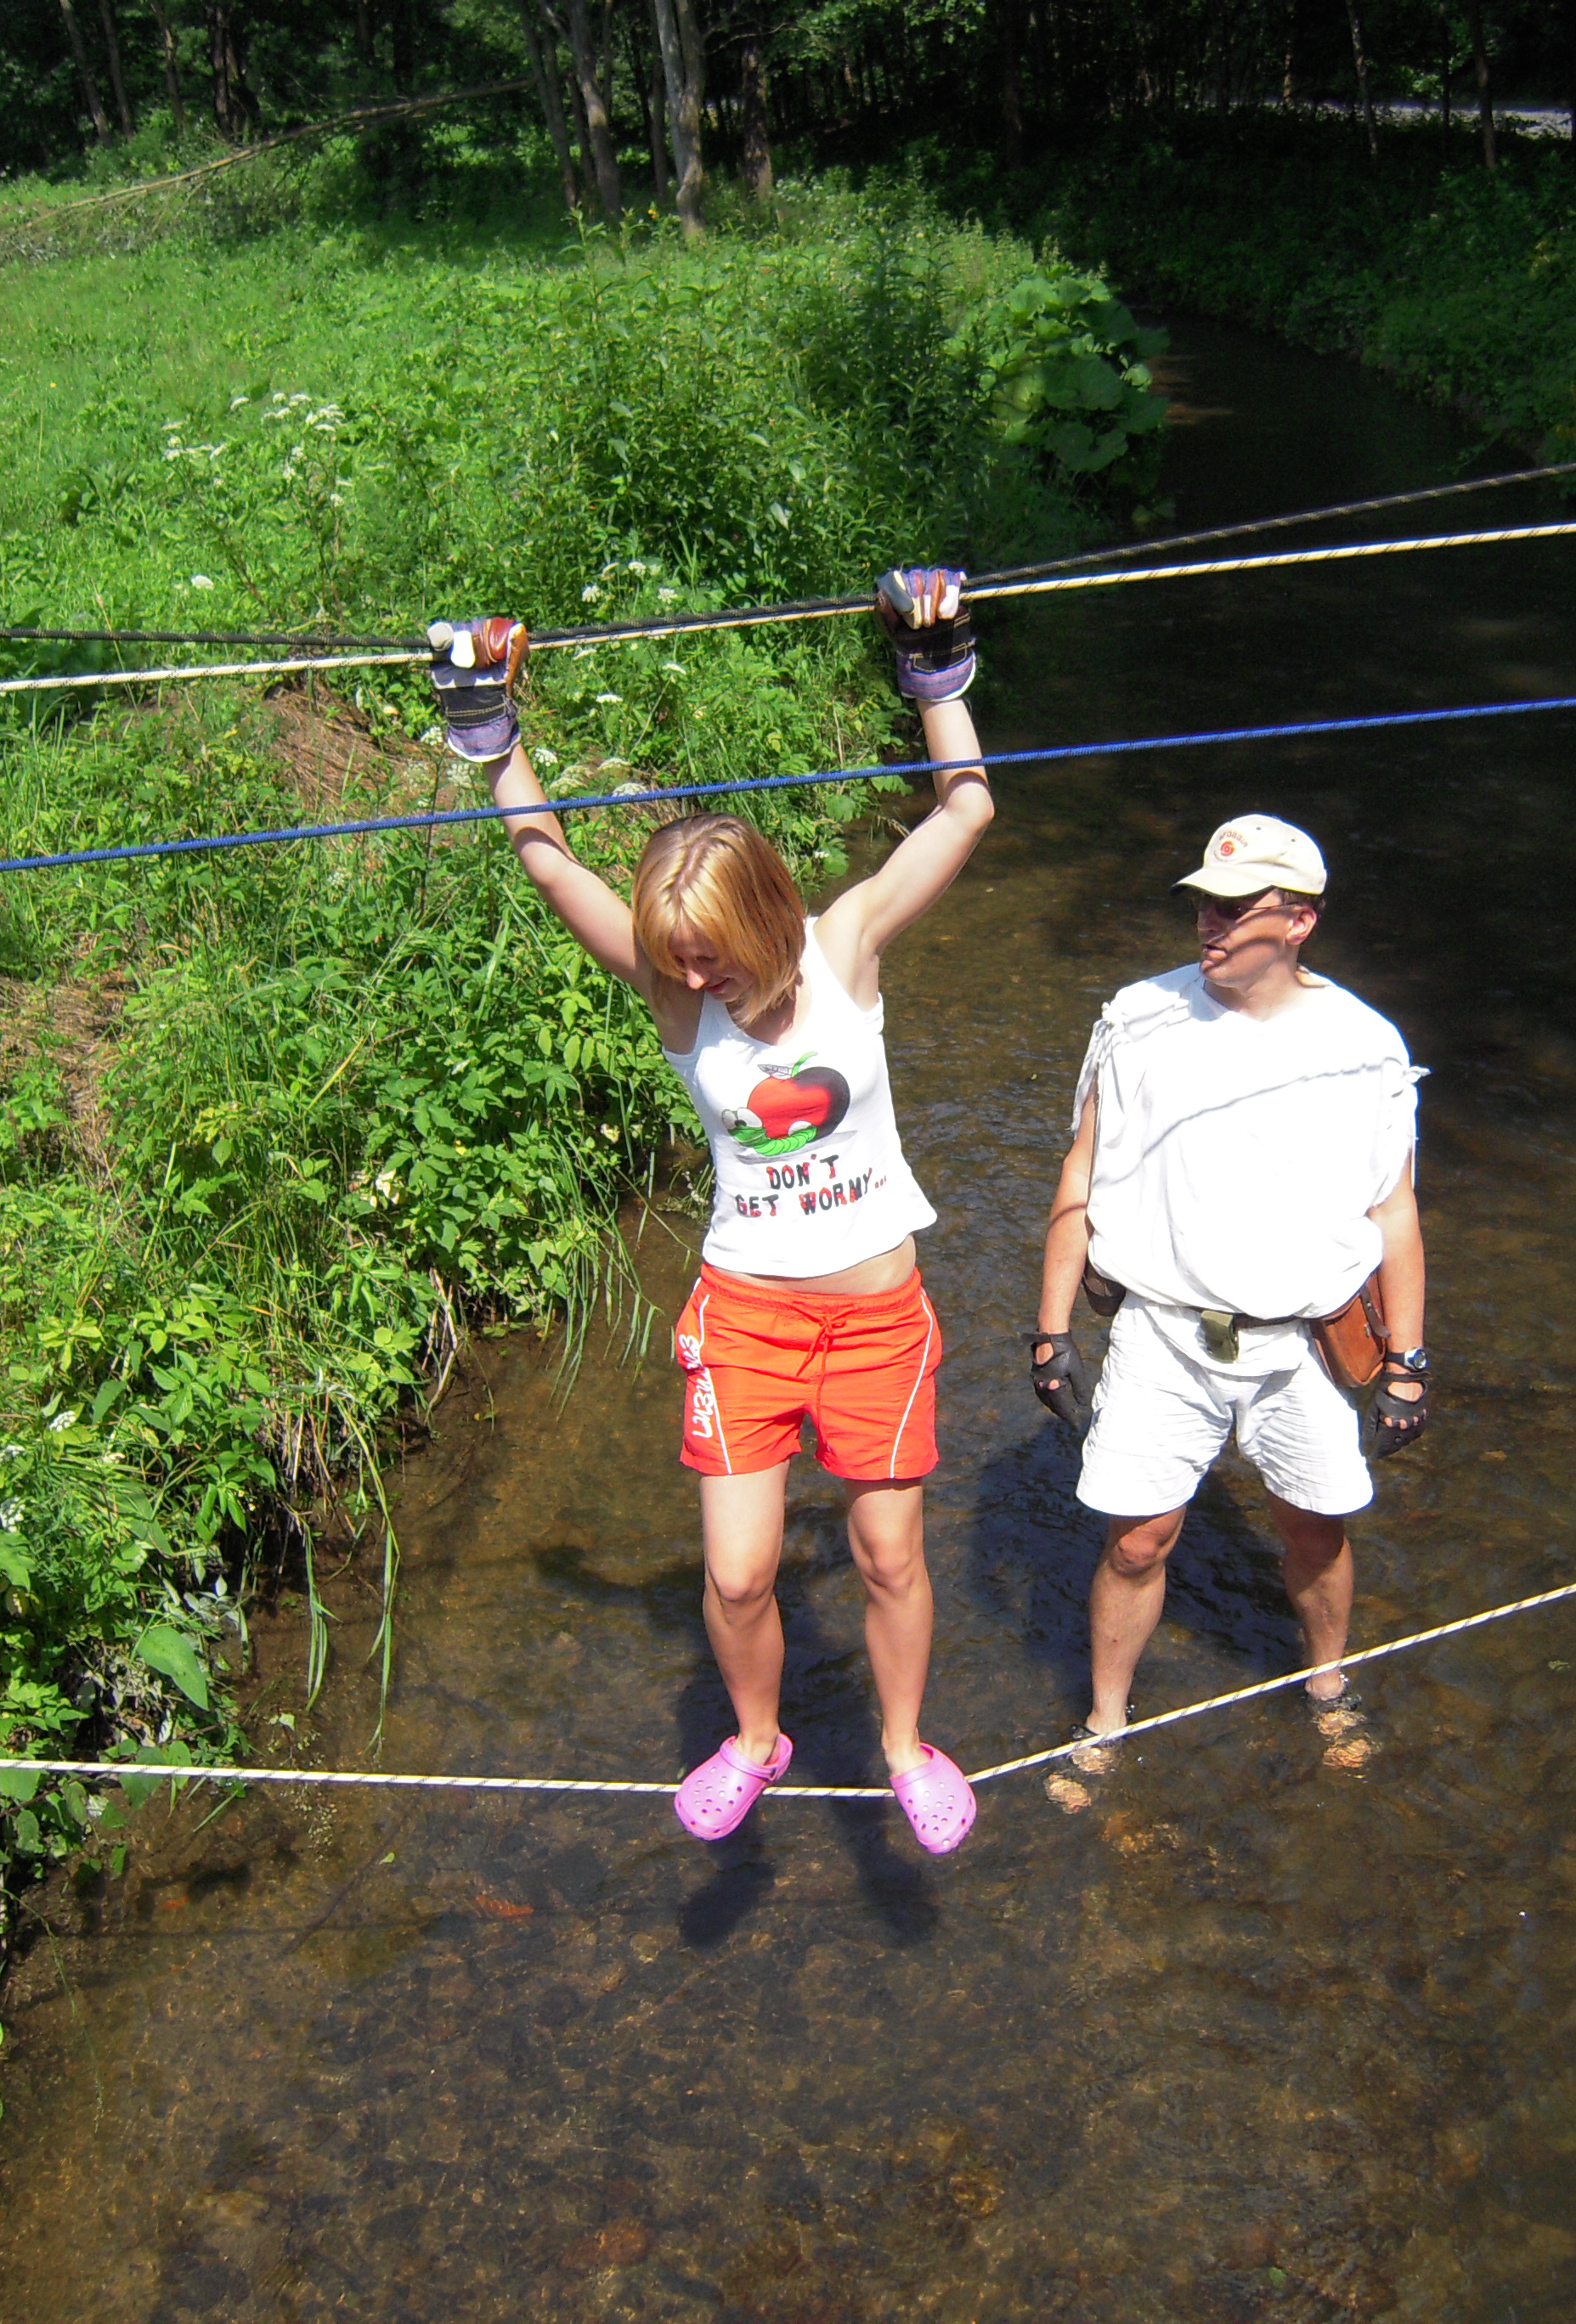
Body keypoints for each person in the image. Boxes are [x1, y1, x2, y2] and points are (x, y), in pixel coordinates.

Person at [428, 570, 988, 1854]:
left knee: (889, 1558)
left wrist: (936, 662)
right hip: (745, 1321)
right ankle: (756, 1741)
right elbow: (550, 865)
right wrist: (489, 731)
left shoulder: (847, 950)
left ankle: (906, 1748)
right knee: (736, 1574)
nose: (690, 976)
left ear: (767, 917)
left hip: (877, 1323)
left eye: (710, 954)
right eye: (675, 958)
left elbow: (965, 807)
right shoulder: (677, 999)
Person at [1029, 813, 1428, 1776]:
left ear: (1300, 921)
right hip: (1162, 1333)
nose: (1210, 923)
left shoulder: (1367, 1045)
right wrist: (1051, 1331)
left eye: (1236, 907)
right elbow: (1080, 1171)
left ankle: (1327, 1683)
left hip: (1302, 1346)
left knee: (1314, 1529)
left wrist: (1408, 1361)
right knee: (1137, 1543)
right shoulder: (1136, 1017)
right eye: (1204, 904)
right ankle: (1105, 1723)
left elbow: (1395, 1211)